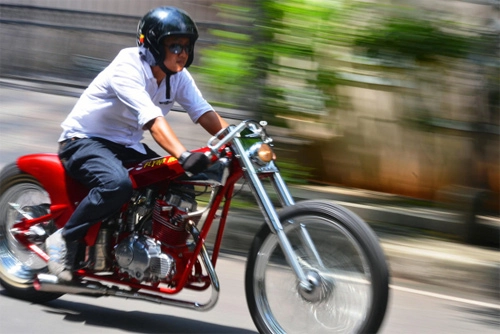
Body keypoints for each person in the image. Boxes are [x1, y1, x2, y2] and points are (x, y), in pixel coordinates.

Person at [45, 6, 229, 281]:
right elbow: (153, 121)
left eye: (187, 46)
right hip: (84, 140)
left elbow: (203, 112)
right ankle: (65, 238)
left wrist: (240, 142)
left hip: (127, 145)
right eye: (174, 45)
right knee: (116, 185)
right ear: (154, 46)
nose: (182, 52)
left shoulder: (177, 76)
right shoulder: (127, 66)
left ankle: (156, 251)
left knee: (180, 180)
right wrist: (182, 153)